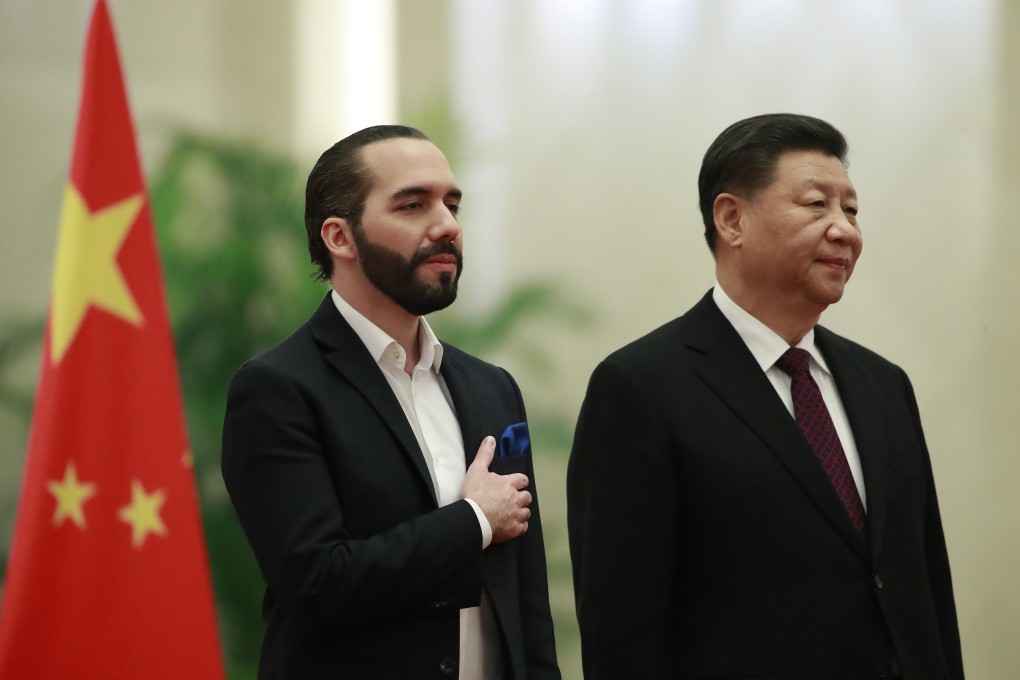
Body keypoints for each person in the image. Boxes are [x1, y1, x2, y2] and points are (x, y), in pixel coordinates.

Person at [567, 113, 964, 679]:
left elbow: (928, 590)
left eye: (851, 210)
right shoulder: (641, 388)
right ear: (732, 219)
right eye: (816, 205)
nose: (845, 231)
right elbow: (623, 632)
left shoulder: (883, 384)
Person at [222, 125, 560, 680]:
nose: (448, 225)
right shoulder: (278, 389)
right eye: (412, 205)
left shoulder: (492, 386)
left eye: (452, 204)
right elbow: (317, 584)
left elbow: (525, 598)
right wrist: (474, 520)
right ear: (340, 237)